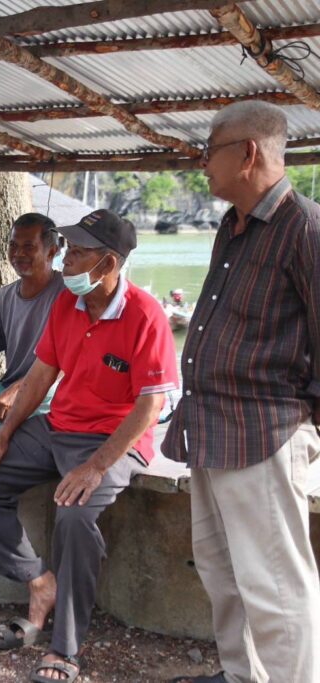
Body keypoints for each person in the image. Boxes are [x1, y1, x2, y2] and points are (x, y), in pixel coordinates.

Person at [0, 210, 178, 683]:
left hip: (113, 441)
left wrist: (96, 466)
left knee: (74, 517)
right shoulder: (67, 305)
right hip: (58, 427)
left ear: (108, 263)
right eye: (68, 251)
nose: (67, 261)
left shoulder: (145, 314)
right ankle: (39, 580)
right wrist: (3, 434)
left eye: (77, 253)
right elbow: (41, 376)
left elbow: (150, 404)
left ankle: (64, 647)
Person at [164, 102, 320, 683]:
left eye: (210, 151)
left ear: (248, 153)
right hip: (211, 427)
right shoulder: (233, 227)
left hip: (263, 432)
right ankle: (241, 676)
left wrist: (302, 425)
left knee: (276, 586)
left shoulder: (304, 227)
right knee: (222, 573)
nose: (204, 164)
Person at [0, 213, 64, 435]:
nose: (18, 254)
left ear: (51, 252)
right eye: (13, 245)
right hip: (6, 390)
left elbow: (62, 366)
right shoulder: (2, 298)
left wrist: (14, 393)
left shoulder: (68, 295)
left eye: (29, 247)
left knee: (32, 422)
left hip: (49, 393)